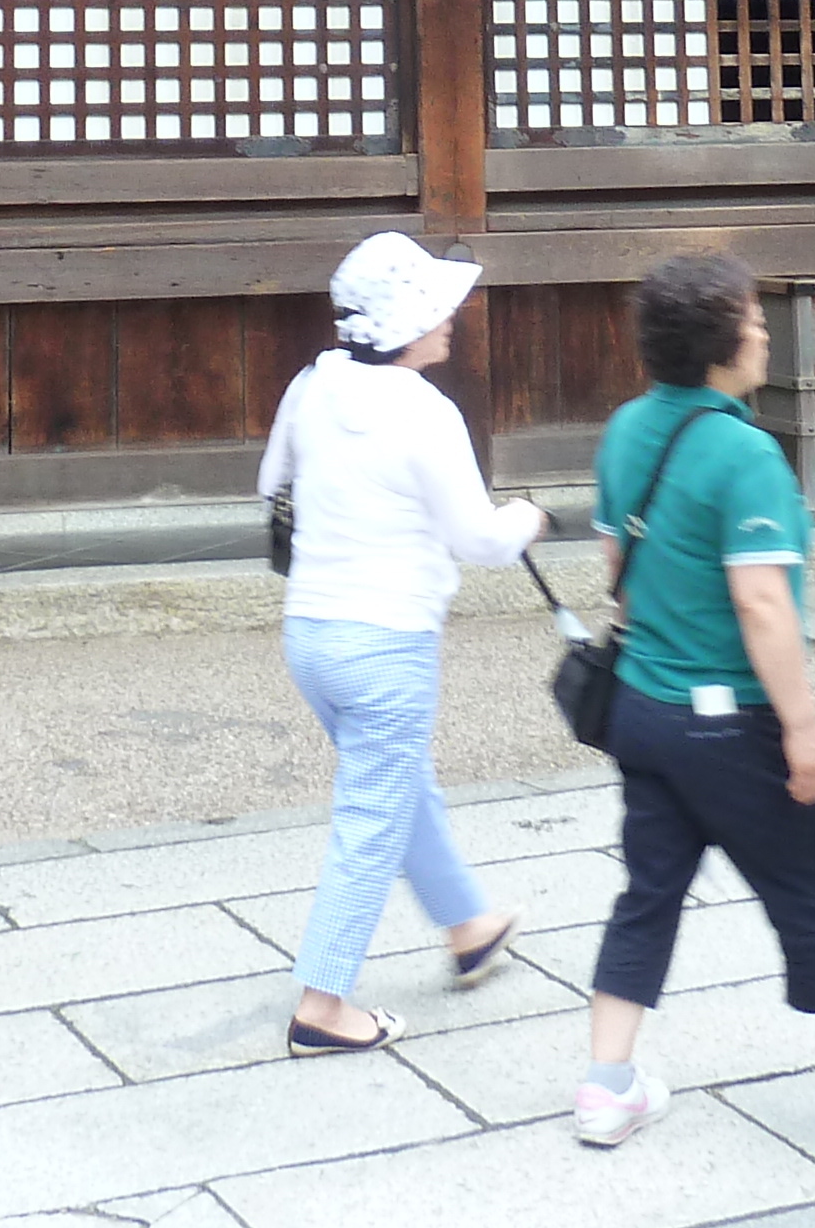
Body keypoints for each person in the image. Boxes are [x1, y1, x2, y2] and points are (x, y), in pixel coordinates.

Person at [573, 249, 815, 1148]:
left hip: (641, 708)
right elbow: (761, 604)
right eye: (753, 320)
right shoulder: (746, 454)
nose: (763, 334)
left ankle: (606, 1085)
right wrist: (803, 729)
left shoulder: (627, 430)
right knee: (810, 890)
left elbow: (615, 570)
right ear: (721, 345)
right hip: (732, 722)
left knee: (648, 893)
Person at [257, 228, 549, 1055]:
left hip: (311, 631)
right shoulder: (426, 413)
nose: (453, 318)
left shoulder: (312, 387)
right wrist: (533, 515)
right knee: (371, 815)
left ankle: (470, 926)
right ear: (405, 322)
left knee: (395, 784)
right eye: (438, 307)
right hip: (387, 639)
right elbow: (480, 539)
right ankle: (323, 1004)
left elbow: (270, 482)